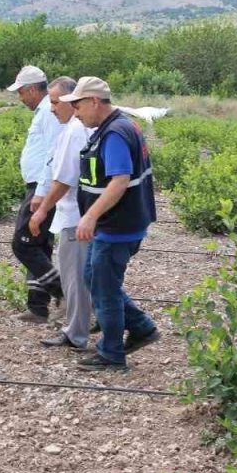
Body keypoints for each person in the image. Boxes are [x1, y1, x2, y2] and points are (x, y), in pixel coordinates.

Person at [60, 76, 161, 371]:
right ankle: (141, 327)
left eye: (77, 106)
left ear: (94, 101)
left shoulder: (115, 133)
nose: (75, 113)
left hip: (117, 225)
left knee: (104, 286)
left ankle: (112, 353)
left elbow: (119, 181)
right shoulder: (118, 126)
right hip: (116, 224)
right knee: (95, 278)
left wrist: (90, 215)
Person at [28, 76, 92, 350]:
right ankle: (98, 318)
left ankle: (76, 334)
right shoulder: (77, 128)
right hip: (79, 213)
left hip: (74, 214)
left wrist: (42, 209)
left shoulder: (74, 131)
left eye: (55, 102)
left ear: (70, 101)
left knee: (74, 277)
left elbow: (64, 178)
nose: (51, 108)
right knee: (87, 274)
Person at [9, 65, 63, 324]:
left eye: (21, 92)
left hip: (42, 187)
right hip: (39, 186)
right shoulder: (45, 111)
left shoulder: (49, 112)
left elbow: (53, 155)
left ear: (32, 89)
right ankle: (37, 307)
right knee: (39, 244)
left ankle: (62, 292)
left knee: (23, 243)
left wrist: (41, 194)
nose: (20, 98)